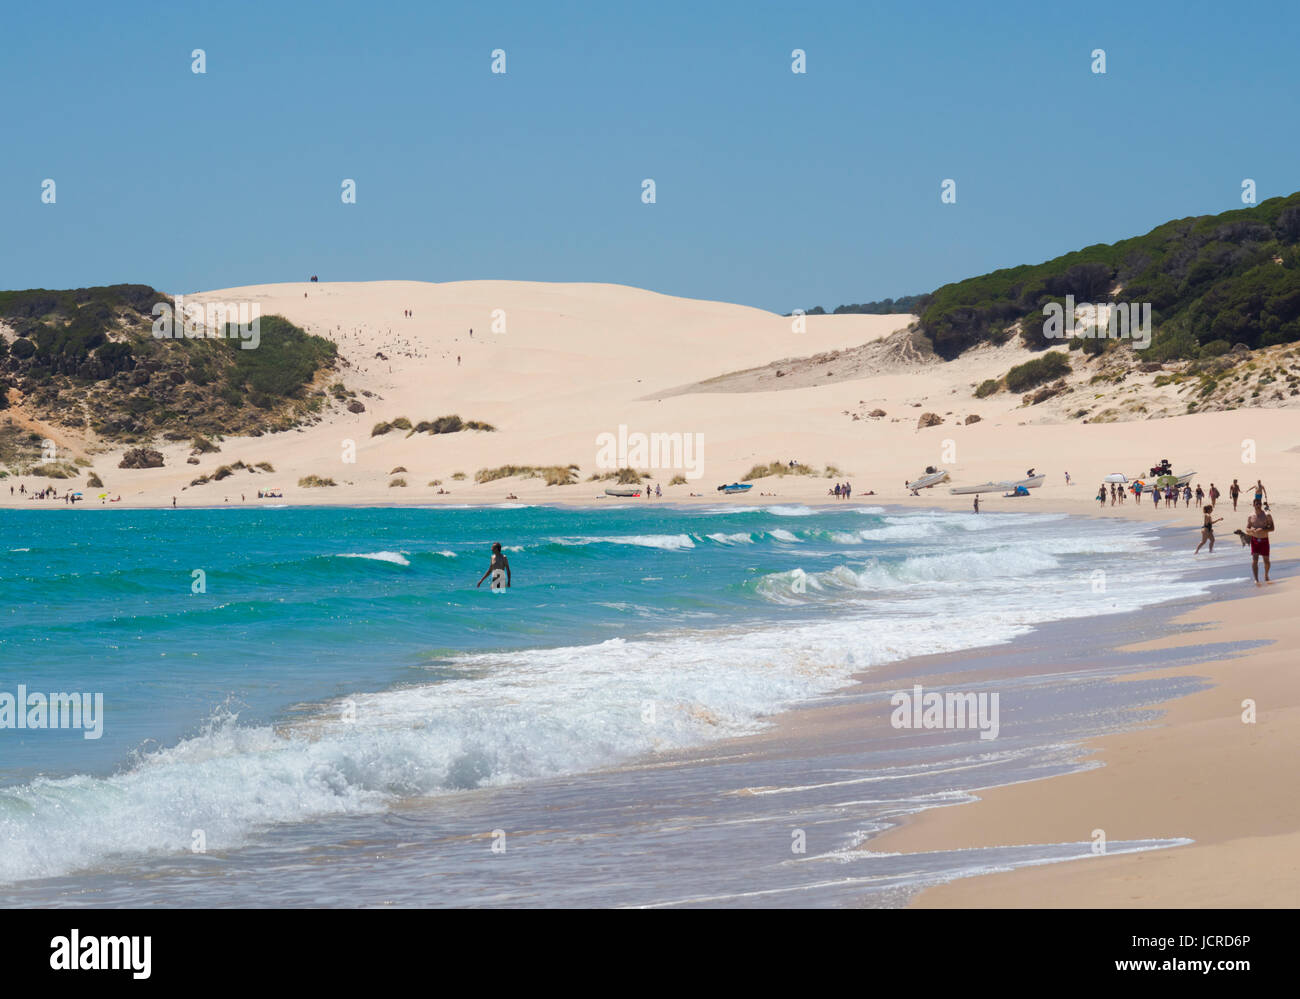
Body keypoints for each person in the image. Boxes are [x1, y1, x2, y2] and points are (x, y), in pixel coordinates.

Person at [1240, 498, 1275, 584]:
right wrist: (1251, 531)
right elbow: (1247, 528)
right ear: (1253, 505)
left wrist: (1262, 530)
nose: (1258, 505)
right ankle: (1256, 579)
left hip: (1264, 540)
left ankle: (1266, 575)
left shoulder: (1267, 515)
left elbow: (1272, 528)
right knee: (1255, 559)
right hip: (1254, 540)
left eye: (1260, 504)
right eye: (1257, 504)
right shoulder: (1250, 516)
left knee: (1266, 561)